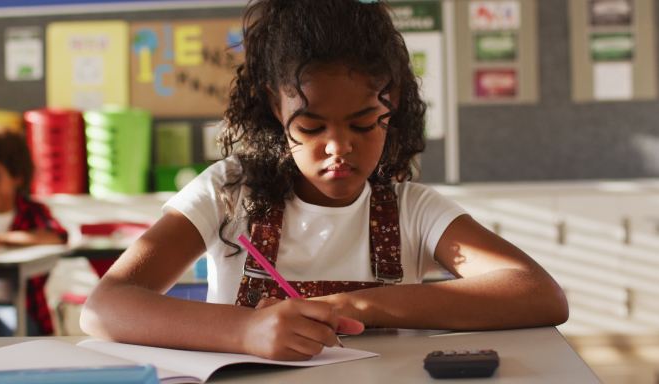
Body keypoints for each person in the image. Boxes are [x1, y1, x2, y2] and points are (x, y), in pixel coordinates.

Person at [81, 0, 568, 361]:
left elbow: (538, 294)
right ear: (276, 106)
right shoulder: (231, 192)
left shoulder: (410, 209)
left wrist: (353, 305)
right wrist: (245, 332)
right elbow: (105, 308)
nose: (339, 147)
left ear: (391, 104)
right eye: (311, 128)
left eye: (362, 124)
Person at [0, 131, 68, 335]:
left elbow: (55, 238)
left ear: (17, 177)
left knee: (15, 331)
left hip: (17, 306)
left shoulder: (33, 212)